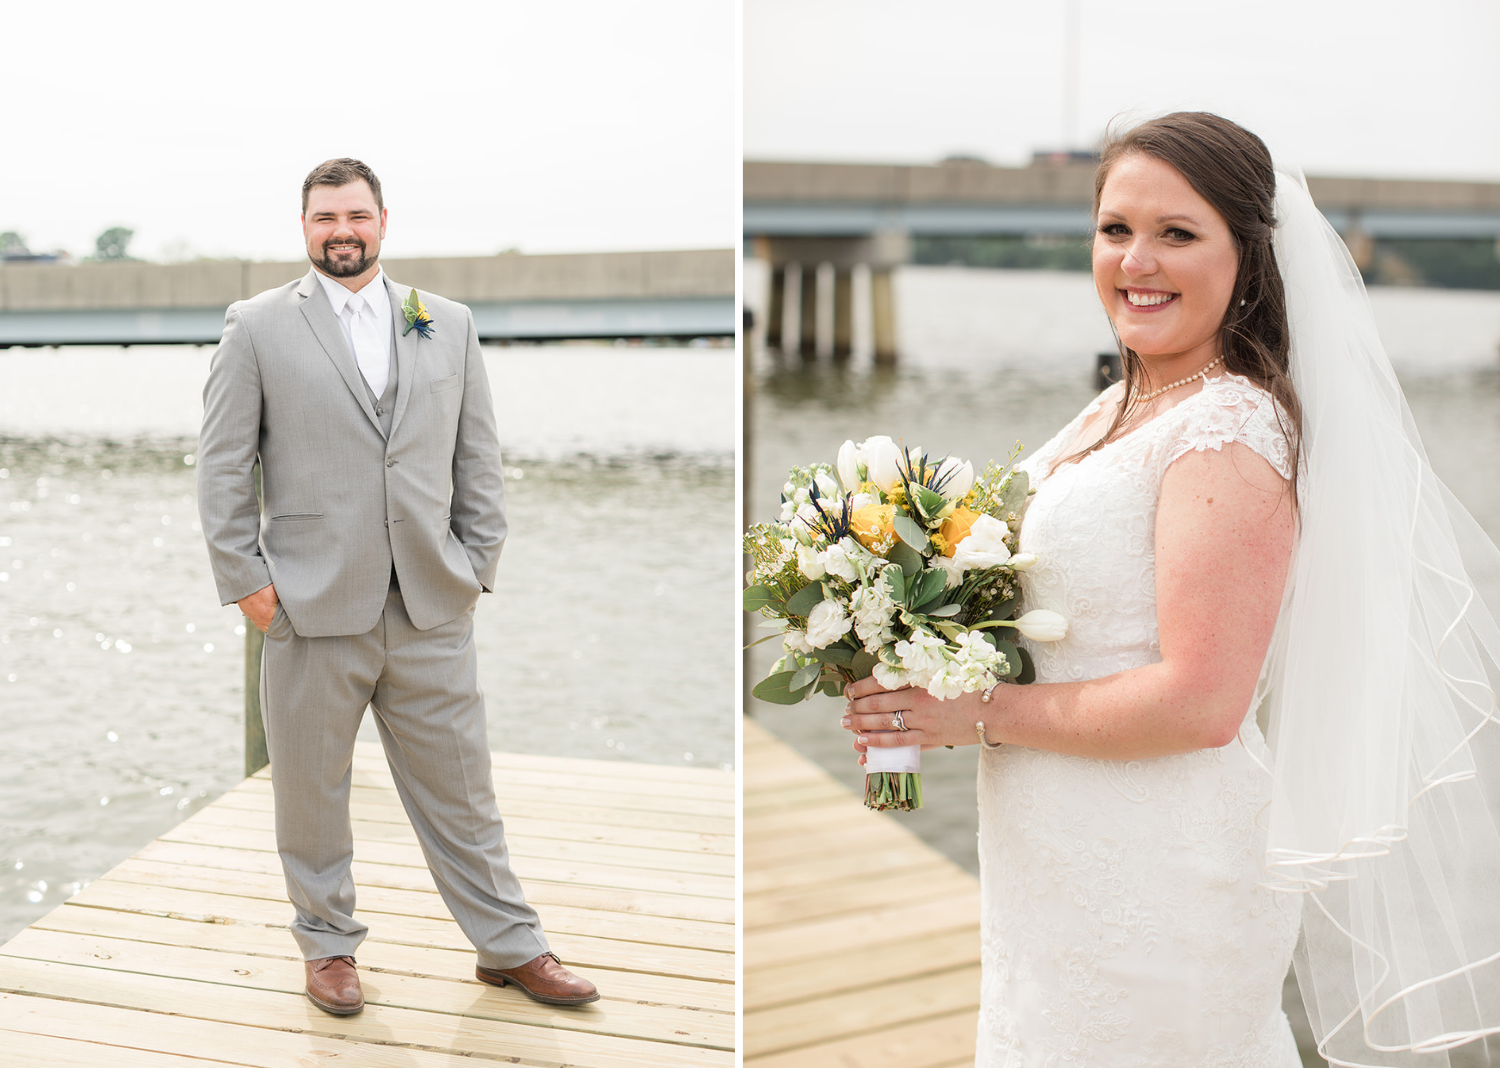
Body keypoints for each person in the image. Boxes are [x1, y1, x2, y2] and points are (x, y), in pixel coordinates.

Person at [844, 113, 1500, 1066]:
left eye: (1178, 234)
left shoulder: (1229, 431)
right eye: (1116, 229)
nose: (1136, 261)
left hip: (1159, 865)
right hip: (1055, 845)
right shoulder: (1125, 401)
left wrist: (975, 712)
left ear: (1249, 258)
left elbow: (1202, 701)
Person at [196, 158, 598, 1015]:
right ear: (303, 227)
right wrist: (250, 588)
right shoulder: (256, 326)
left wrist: (477, 564)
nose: (340, 230)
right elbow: (223, 466)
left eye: (355, 215)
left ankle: (510, 944)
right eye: (322, 218)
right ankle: (328, 945)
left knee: (463, 788)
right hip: (309, 606)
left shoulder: (444, 323)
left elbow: (476, 456)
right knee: (310, 791)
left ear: (384, 220)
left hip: (430, 603)